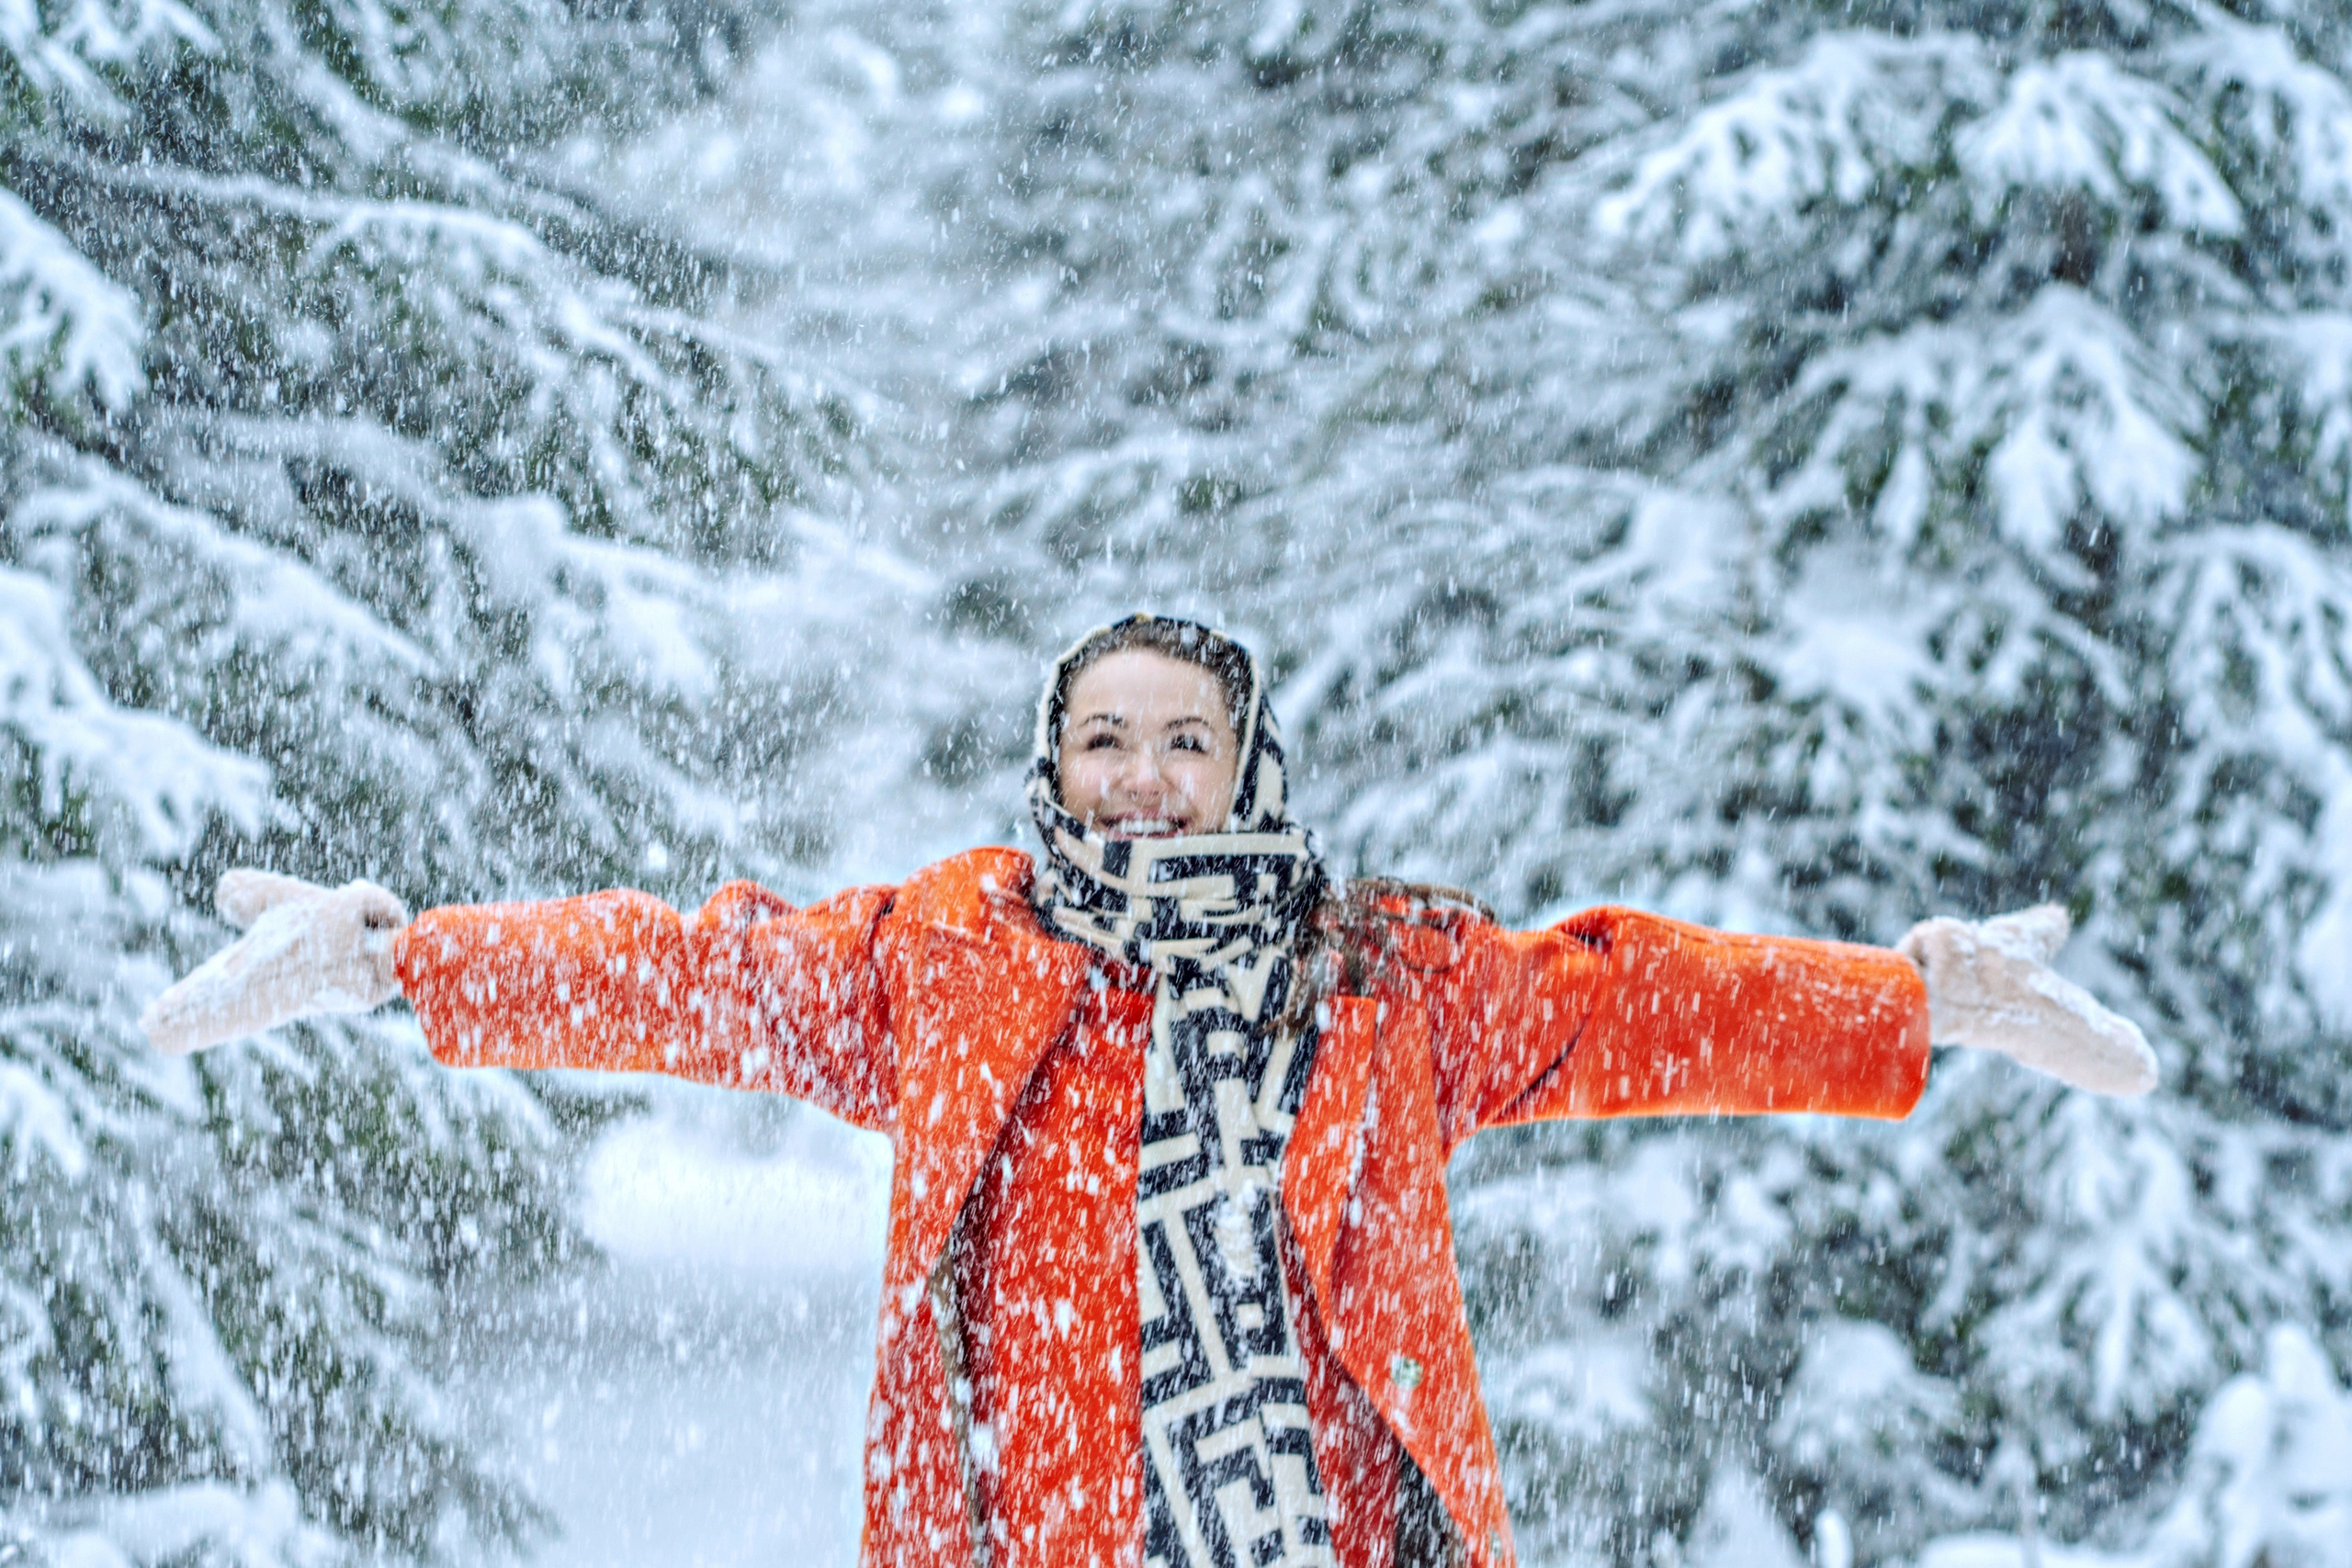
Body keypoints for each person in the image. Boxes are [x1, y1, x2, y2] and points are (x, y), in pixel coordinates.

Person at [142, 615, 2156, 1568]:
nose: (1139, 775)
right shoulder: (955, 952)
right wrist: (407, 957)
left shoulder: (1381, 973)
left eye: (1182, 738)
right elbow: (704, 969)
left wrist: (1912, 1004)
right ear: (1053, 764)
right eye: (1101, 737)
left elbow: (1635, 997)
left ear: (1245, 765)